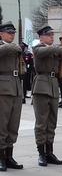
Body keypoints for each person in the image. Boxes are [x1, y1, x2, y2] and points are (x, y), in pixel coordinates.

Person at [32, 25, 62, 166]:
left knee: (52, 122)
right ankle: (41, 153)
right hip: (41, 85)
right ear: (41, 37)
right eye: (48, 35)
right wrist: (59, 48)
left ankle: (49, 152)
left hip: (53, 85)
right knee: (41, 123)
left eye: (53, 35)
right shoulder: (38, 48)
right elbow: (48, 51)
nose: (52, 37)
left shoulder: (53, 50)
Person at [0, 22, 24, 171]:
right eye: (9, 32)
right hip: (3, 88)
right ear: (1, 33)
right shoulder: (6, 47)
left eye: (13, 33)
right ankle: (1, 157)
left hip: (16, 87)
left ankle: (9, 156)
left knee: (13, 125)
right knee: (2, 124)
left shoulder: (13, 48)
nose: (12, 35)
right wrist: (15, 46)